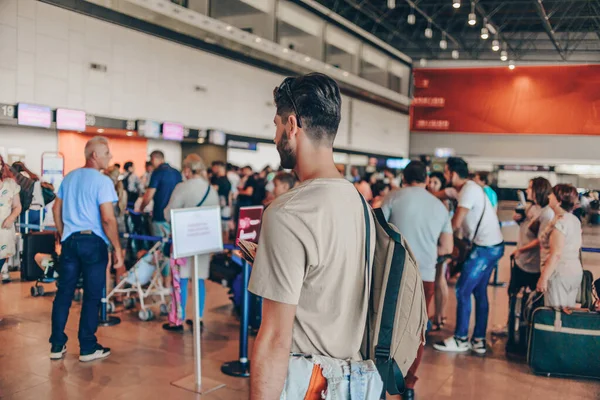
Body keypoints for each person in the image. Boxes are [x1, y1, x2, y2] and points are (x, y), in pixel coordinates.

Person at [248, 73, 381, 399]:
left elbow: (275, 338)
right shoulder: (359, 202)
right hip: (351, 383)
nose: (275, 135)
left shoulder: (288, 213)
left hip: (308, 383)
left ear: (292, 125)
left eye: (277, 125)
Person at [381, 160, 453, 400]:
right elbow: (447, 247)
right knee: (417, 329)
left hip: (395, 271)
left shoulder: (393, 197)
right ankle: (408, 384)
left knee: (387, 324)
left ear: (405, 177)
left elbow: (378, 233)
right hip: (426, 275)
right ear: (426, 179)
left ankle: (380, 378)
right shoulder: (439, 207)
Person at [49, 136, 123, 362]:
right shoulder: (102, 182)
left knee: (64, 294)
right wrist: (117, 249)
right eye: (107, 153)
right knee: (91, 296)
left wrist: (63, 233)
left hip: (71, 242)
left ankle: (57, 345)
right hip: (93, 243)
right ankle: (88, 347)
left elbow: (55, 208)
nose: (110, 158)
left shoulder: (69, 178)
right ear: (95, 155)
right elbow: (108, 219)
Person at [433, 157, 504, 355]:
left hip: (485, 248)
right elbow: (442, 193)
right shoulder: (465, 188)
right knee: (479, 292)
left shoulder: (468, 191)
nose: (446, 176)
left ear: (452, 173)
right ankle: (479, 340)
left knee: (463, 289)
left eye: (446, 172)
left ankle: (461, 338)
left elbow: (455, 223)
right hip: (492, 245)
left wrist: (437, 233)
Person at [163, 154, 219, 332]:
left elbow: (168, 213)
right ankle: (198, 317)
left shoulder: (182, 187)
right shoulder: (211, 189)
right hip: (204, 240)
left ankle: (180, 316)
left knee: (183, 277)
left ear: (187, 170)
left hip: (185, 238)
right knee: (199, 277)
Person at [537, 184, 583, 308]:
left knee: (556, 315)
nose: (548, 196)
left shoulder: (560, 223)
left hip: (559, 273)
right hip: (574, 271)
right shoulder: (574, 220)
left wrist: (544, 278)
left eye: (551, 195)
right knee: (567, 313)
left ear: (559, 201)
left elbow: (556, 254)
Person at [140, 151, 182, 238]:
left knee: (159, 246)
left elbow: (149, 195)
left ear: (154, 159)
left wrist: (142, 208)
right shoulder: (177, 172)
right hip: (175, 215)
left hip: (160, 214)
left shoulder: (157, 173)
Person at [0, 156, 22, 283]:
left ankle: (4, 271)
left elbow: (17, 206)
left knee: (2, 257)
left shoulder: (10, 185)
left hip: (4, 231)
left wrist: (11, 218)